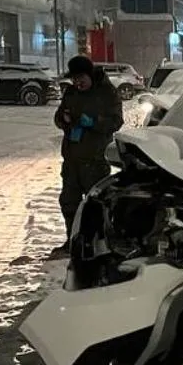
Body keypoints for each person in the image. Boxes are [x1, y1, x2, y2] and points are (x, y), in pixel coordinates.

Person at [53, 55, 124, 256]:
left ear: (90, 75)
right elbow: (59, 116)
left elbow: (116, 121)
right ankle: (73, 241)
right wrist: (64, 120)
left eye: (81, 79)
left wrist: (93, 122)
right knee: (69, 202)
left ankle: (98, 243)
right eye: (74, 80)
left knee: (97, 205)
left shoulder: (106, 93)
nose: (78, 83)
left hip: (95, 159)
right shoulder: (71, 92)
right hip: (72, 159)